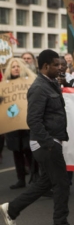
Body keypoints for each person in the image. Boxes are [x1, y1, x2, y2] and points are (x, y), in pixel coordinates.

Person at [1, 50, 70, 225]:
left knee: (45, 183)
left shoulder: (51, 83)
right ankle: (60, 222)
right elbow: (33, 120)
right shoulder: (39, 87)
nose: (59, 67)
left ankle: (12, 209)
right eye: (56, 64)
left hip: (48, 142)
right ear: (46, 66)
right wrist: (48, 143)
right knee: (61, 184)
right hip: (46, 144)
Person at [3, 58, 39, 190]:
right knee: (16, 151)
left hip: (27, 123)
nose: (16, 68)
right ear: (9, 69)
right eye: (13, 67)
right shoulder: (5, 85)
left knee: (29, 150)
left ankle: (35, 178)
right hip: (12, 123)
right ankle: (21, 179)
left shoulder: (30, 82)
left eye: (18, 66)